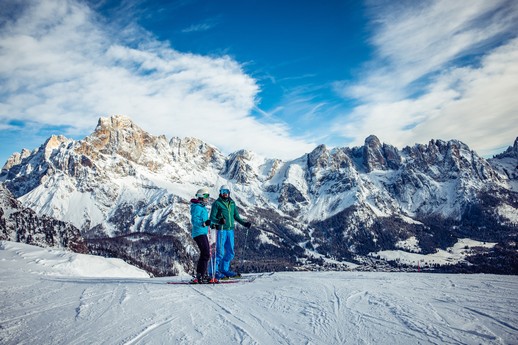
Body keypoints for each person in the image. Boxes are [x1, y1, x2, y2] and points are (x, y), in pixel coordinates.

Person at [209, 185, 251, 279]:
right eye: (223, 191)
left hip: (230, 230)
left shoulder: (232, 203)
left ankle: (224, 270)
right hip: (221, 230)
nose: (225, 193)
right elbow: (212, 218)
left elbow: (236, 216)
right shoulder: (217, 203)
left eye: (226, 191)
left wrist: (244, 224)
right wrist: (219, 221)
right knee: (220, 252)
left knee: (230, 252)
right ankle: (213, 272)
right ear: (220, 192)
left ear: (229, 192)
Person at [190, 187, 217, 284]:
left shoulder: (201, 207)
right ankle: (201, 275)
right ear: (201, 196)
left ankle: (201, 275)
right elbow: (194, 220)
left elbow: (205, 221)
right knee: (205, 253)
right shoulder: (197, 207)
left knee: (205, 253)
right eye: (206, 196)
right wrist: (204, 224)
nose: (207, 198)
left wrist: (210, 224)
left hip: (202, 232)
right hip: (198, 232)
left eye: (208, 196)